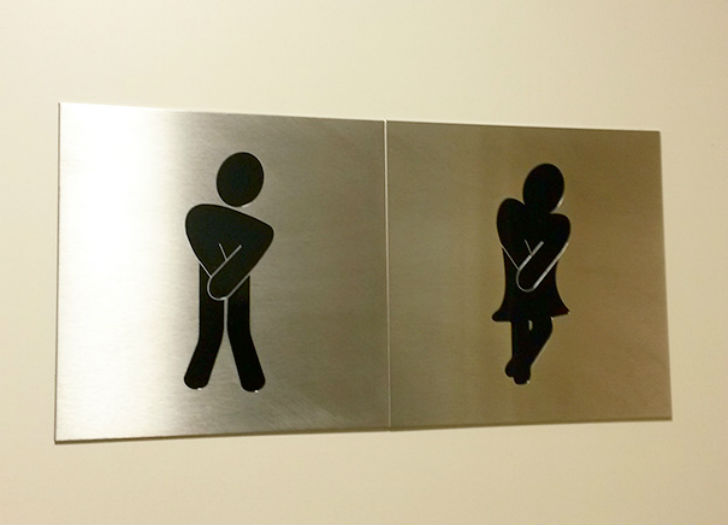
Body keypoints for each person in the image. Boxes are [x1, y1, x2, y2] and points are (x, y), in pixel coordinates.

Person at [184, 152, 274, 392]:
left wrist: (222, 278)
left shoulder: (202, 216)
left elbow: (262, 236)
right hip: (224, 269)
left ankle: (206, 378)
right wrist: (222, 278)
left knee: (231, 329)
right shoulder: (207, 217)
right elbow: (262, 235)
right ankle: (240, 380)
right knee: (220, 329)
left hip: (226, 269)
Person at [492, 163, 570, 385]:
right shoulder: (512, 211)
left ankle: (519, 366)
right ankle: (519, 367)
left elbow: (533, 269)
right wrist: (527, 273)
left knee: (540, 326)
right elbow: (525, 270)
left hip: (532, 292)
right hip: (526, 292)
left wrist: (528, 274)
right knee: (536, 324)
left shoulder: (558, 225)